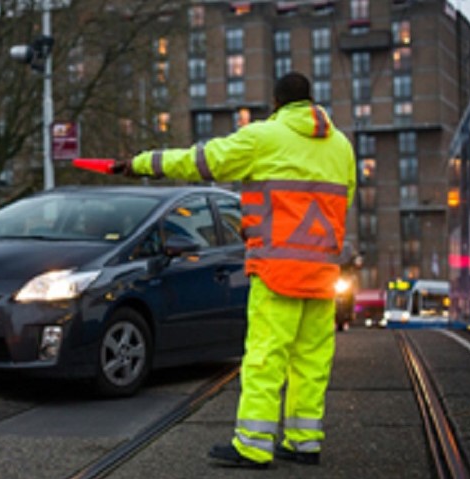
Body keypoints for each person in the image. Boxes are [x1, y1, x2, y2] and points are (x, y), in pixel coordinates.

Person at [115, 72, 356, 469]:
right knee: (312, 360)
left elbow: (199, 161)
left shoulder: (264, 137)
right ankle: (304, 441)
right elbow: (343, 200)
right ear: (311, 102)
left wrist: (140, 163)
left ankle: (254, 444)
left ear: (276, 103)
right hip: (322, 271)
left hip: (277, 269)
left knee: (265, 357)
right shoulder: (342, 147)